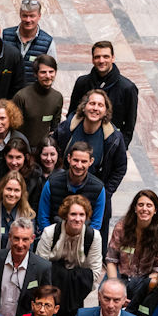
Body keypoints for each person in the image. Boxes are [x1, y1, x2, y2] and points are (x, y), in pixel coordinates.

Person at [52, 89, 127, 229]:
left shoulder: (114, 138)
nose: (95, 108)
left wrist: (105, 193)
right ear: (84, 106)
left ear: (106, 111)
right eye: (92, 103)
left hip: (95, 196)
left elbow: (120, 168)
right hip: (64, 191)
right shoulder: (68, 127)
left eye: (100, 105)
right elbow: (53, 149)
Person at [36, 195, 103, 316]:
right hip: (51, 286)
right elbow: (40, 266)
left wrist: (76, 283)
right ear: (65, 215)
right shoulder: (50, 233)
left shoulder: (94, 237)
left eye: (82, 215)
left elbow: (94, 272)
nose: (77, 219)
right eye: (73, 214)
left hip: (77, 290)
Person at [68, 40, 139, 148]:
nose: (101, 61)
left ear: (113, 58)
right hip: (81, 143)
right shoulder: (82, 83)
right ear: (92, 59)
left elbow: (129, 125)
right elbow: (72, 113)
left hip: (110, 144)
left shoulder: (127, 88)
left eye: (106, 56)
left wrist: (120, 148)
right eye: (97, 57)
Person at [0, 217, 53, 316]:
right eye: (16, 238)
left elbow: (44, 300)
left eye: (25, 239)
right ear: (10, 237)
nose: (20, 244)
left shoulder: (42, 267)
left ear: (32, 239)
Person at [105, 189, 158, 298]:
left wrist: (143, 290)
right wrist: (115, 286)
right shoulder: (121, 229)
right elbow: (111, 260)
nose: (144, 209)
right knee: (107, 293)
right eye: (140, 205)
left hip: (144, 278)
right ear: (135, 208)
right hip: (120, 274)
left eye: (149, 205)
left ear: (155, 210)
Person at [36, 142, 106, 232]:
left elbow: (96, 224)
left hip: (84, 237)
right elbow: (43, 217)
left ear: (91, 161)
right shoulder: (52, 183)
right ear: (69, 158)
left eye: (84, 161)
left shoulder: (98, 188)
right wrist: (50, 236)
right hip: (53, 235)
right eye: (75, 160)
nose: (79, 165)